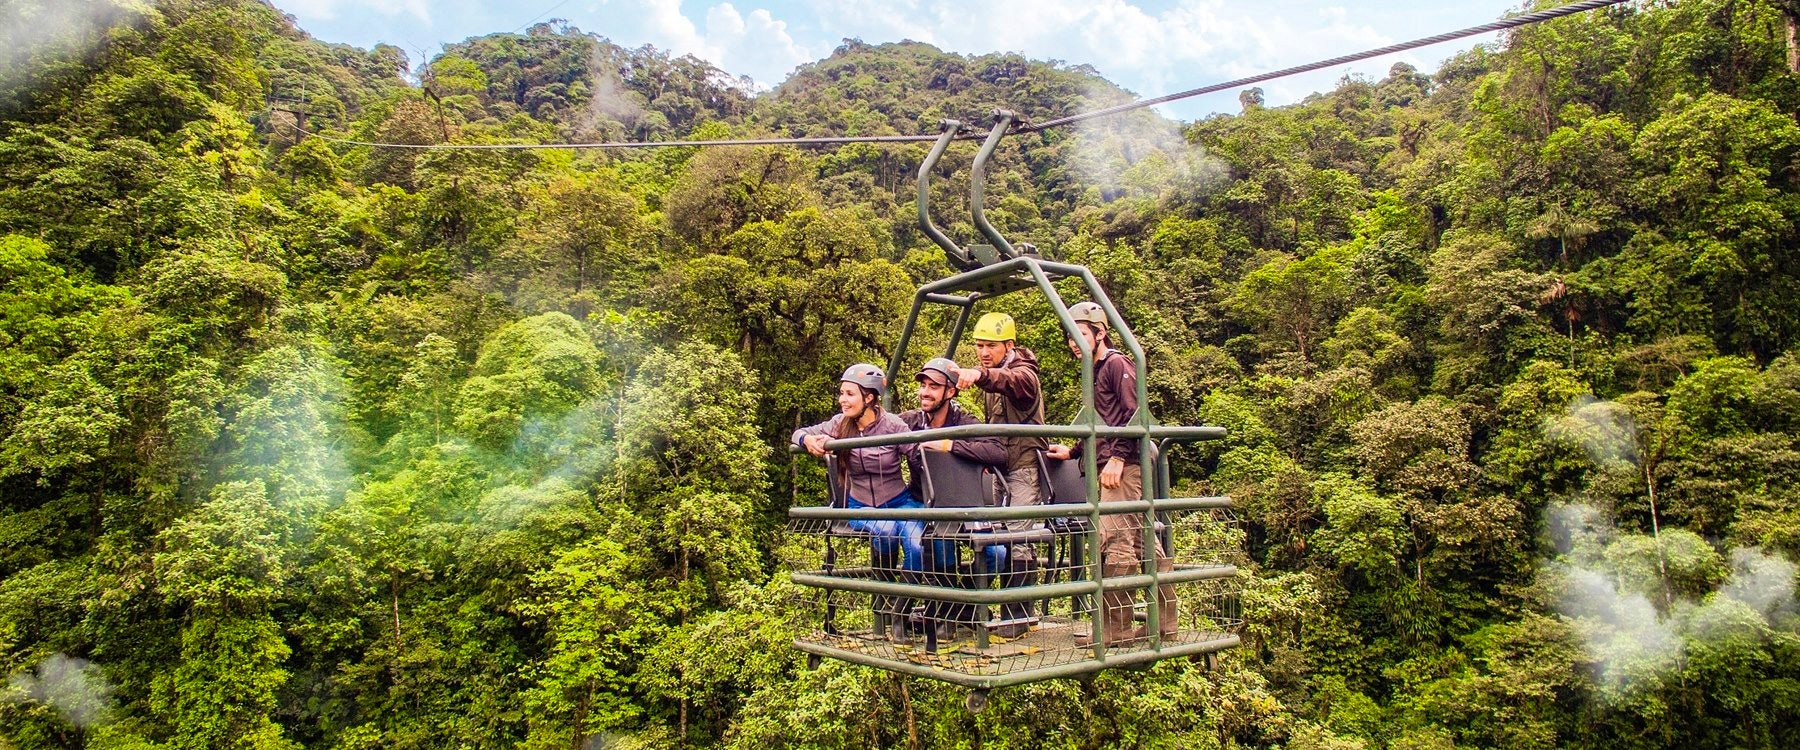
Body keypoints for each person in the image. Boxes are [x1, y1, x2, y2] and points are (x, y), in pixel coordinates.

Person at [1044, 301, 1176, 647]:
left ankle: (1116, 631)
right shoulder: (1095, 370)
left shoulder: (1117, 364)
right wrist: (1072, 452)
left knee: (1114, 542)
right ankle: (1164, 624)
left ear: (1100, 333)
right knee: (1140, 541)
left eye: (1081, 334)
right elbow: (1102, 423)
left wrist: (1118, 456)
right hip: (1111, 463)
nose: (1074, 342)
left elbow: (1135, 415)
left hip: (1124, 467)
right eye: (1071, 336)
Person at [792, 364, 924, 644]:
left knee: (916, 543)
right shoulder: (840, 424)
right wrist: (807, 440)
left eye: (850, 394)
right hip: (861, 505)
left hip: (899, 501)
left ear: (870, 398)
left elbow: (918, 456)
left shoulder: (893, 426)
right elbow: (798, 432)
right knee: (886, 532)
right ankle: (886, 602)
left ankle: (901, 609)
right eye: (842, 393)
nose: (843, 399)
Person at [950, 313, 1048, 638]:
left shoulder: (1024, 374)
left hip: (1024, 464)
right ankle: (988, 608)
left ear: (1008, 345)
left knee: (1019, 537)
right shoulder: (992, 376)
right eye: (979, 346)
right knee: (997, 536)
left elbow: (1012, 382)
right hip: (1002, 466)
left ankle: (1017, 616)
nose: (983, 352)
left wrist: (980, 374)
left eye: (990, 345)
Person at [897, 357, 1007, 642]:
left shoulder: (964, 421)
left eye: (934, 386)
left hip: (961, 503)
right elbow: (878, 432)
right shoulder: (910, 421)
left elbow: (997, 451)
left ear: (950, 392)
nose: (925, 392)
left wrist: (951, 445)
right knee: (934, 543)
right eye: (923, 385)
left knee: (997, 552)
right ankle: (942, 612)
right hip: (923, 501)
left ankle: (961, 604)